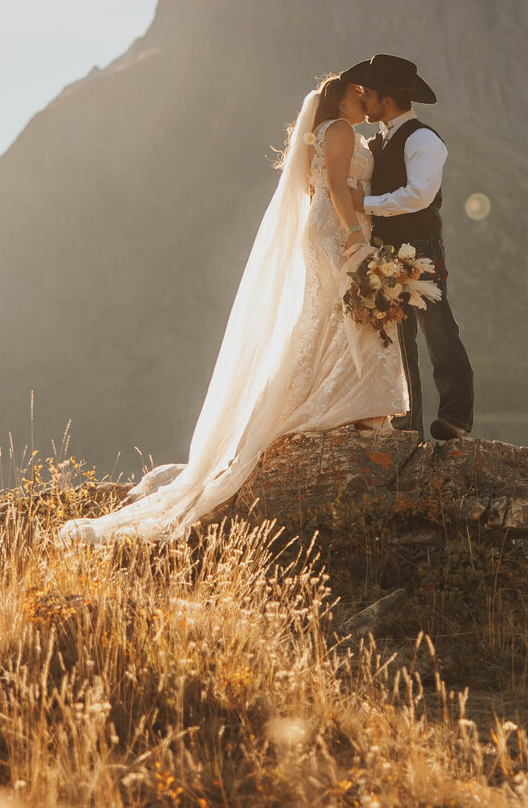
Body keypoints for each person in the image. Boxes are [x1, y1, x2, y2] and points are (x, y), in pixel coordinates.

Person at [59, 75, 407, 544]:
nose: (364, 99)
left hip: (322, 225)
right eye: (358, 94)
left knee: (327, 315)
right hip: (339, 229)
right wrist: (352, 237)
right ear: (340, 97)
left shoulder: (320, 134)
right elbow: (341, 190)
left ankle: (334, 404)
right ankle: (351, 408)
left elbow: (314, 187)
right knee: (346, 310)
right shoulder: (341, 131)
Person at [339, 54, 474, 441]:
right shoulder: (378, 140)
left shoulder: (424, 139)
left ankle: (456, 418)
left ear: (388, 98)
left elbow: (418, 196)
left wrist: (363, 203)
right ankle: (408, 421)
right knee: (398, 339)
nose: (364, 99)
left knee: (439, 330)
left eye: (370, 93)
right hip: (385, 251)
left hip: (422, 247)